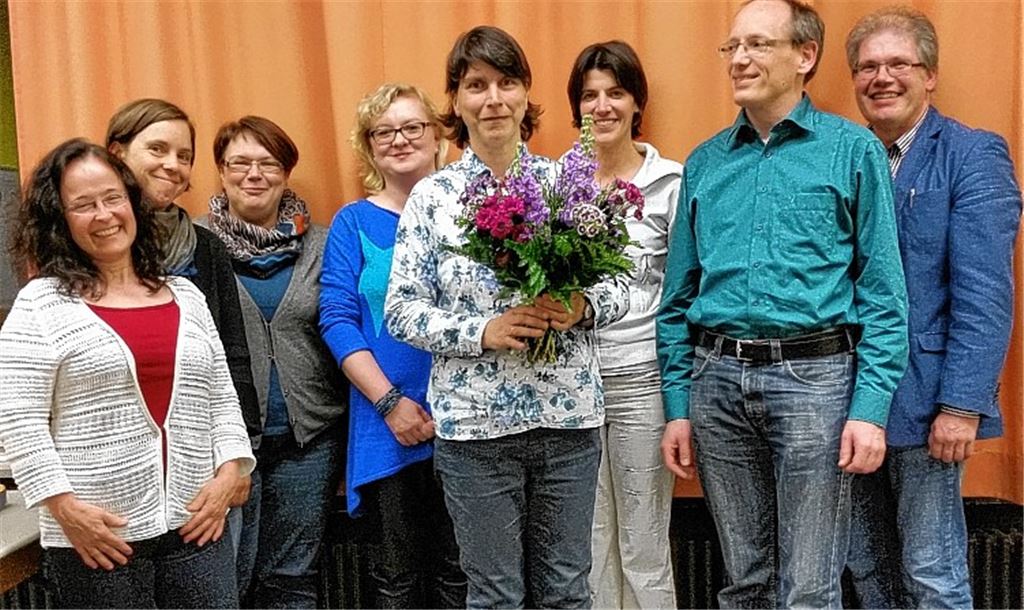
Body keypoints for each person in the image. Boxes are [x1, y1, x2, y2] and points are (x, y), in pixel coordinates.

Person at [656, 0, 910, 607]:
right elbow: (677, 297)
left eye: (758, 44)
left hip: (816, 382)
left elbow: (884, 294)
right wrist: (678, 405)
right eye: (733, 46)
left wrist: (870, 410)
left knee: (810, 587)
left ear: (805, 56)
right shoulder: (705, 162)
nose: (739, 59)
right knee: (745, 581)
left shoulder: (853, 151)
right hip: (716, 383)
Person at [384, 25, 629, 609]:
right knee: (495, 596)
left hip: (567, 422)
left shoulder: (566, 184)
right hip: (475, 432)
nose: (493, 99)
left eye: (507, 83)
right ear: (455, 100)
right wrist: (482, 331)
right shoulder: (432, 198)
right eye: (476, 85)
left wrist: (582, 305)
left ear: (525, 95)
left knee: (566, 592)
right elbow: (401, 312)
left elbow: (623, 286)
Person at [0, 139, 255, 609]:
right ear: (60, 219)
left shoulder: (185, 295)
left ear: (132, 202)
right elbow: (19, 420)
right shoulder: (40, 305)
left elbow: (221, 395)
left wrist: (229, 472)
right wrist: (63, 508)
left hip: (197, 525)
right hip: (96, 537)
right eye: (83, 205)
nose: (104, 215)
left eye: (113, 198)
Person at [843, 7, 1023, 608]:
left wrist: (962, 406)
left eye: (899, 63)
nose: (882, 78)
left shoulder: (972, 154)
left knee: (932, 572)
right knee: (866, 571)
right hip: (845, 401)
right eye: (868, 66)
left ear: (931, 75)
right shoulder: (847, 156)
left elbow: (985, 293)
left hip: (928, 404)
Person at [319, 83, 466, 609]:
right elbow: (337, 321)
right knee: (396, 578)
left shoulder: (468, 214)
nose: (399, 140)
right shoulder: (352, 222)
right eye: (384, 131)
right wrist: (390, 404)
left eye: (412, 127)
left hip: (467, 421)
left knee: (462, 574)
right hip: (386, 426)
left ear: (437, 136)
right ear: (369, 146)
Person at [196, 116, 347, 608]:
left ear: (286, 173)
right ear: (221, 171)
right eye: (240, 163)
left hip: (308, 443)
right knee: (226, 579)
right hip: (223, 448)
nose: (254, 174)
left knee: (291, 577)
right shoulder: (193, 245)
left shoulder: (323, 244)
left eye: (268, 163)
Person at [565, 40, 680, 610]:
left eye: (615, 93)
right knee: (587, 547)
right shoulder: (556, 186)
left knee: (644, 546)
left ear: (637, 103)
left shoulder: (671, 182)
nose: (602, 106)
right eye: (589, 96)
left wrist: (682, 403)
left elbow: (685, 296)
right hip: (571, 388)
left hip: (642, 382)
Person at [106, 98, 260, 440]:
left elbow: (233, 353)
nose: (172, 165)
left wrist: (243, 440)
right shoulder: (87, 246)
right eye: (157, 149)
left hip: (200, 437)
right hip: (115, 437)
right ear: (117, 153)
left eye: (184, 156)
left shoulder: (206, 248)